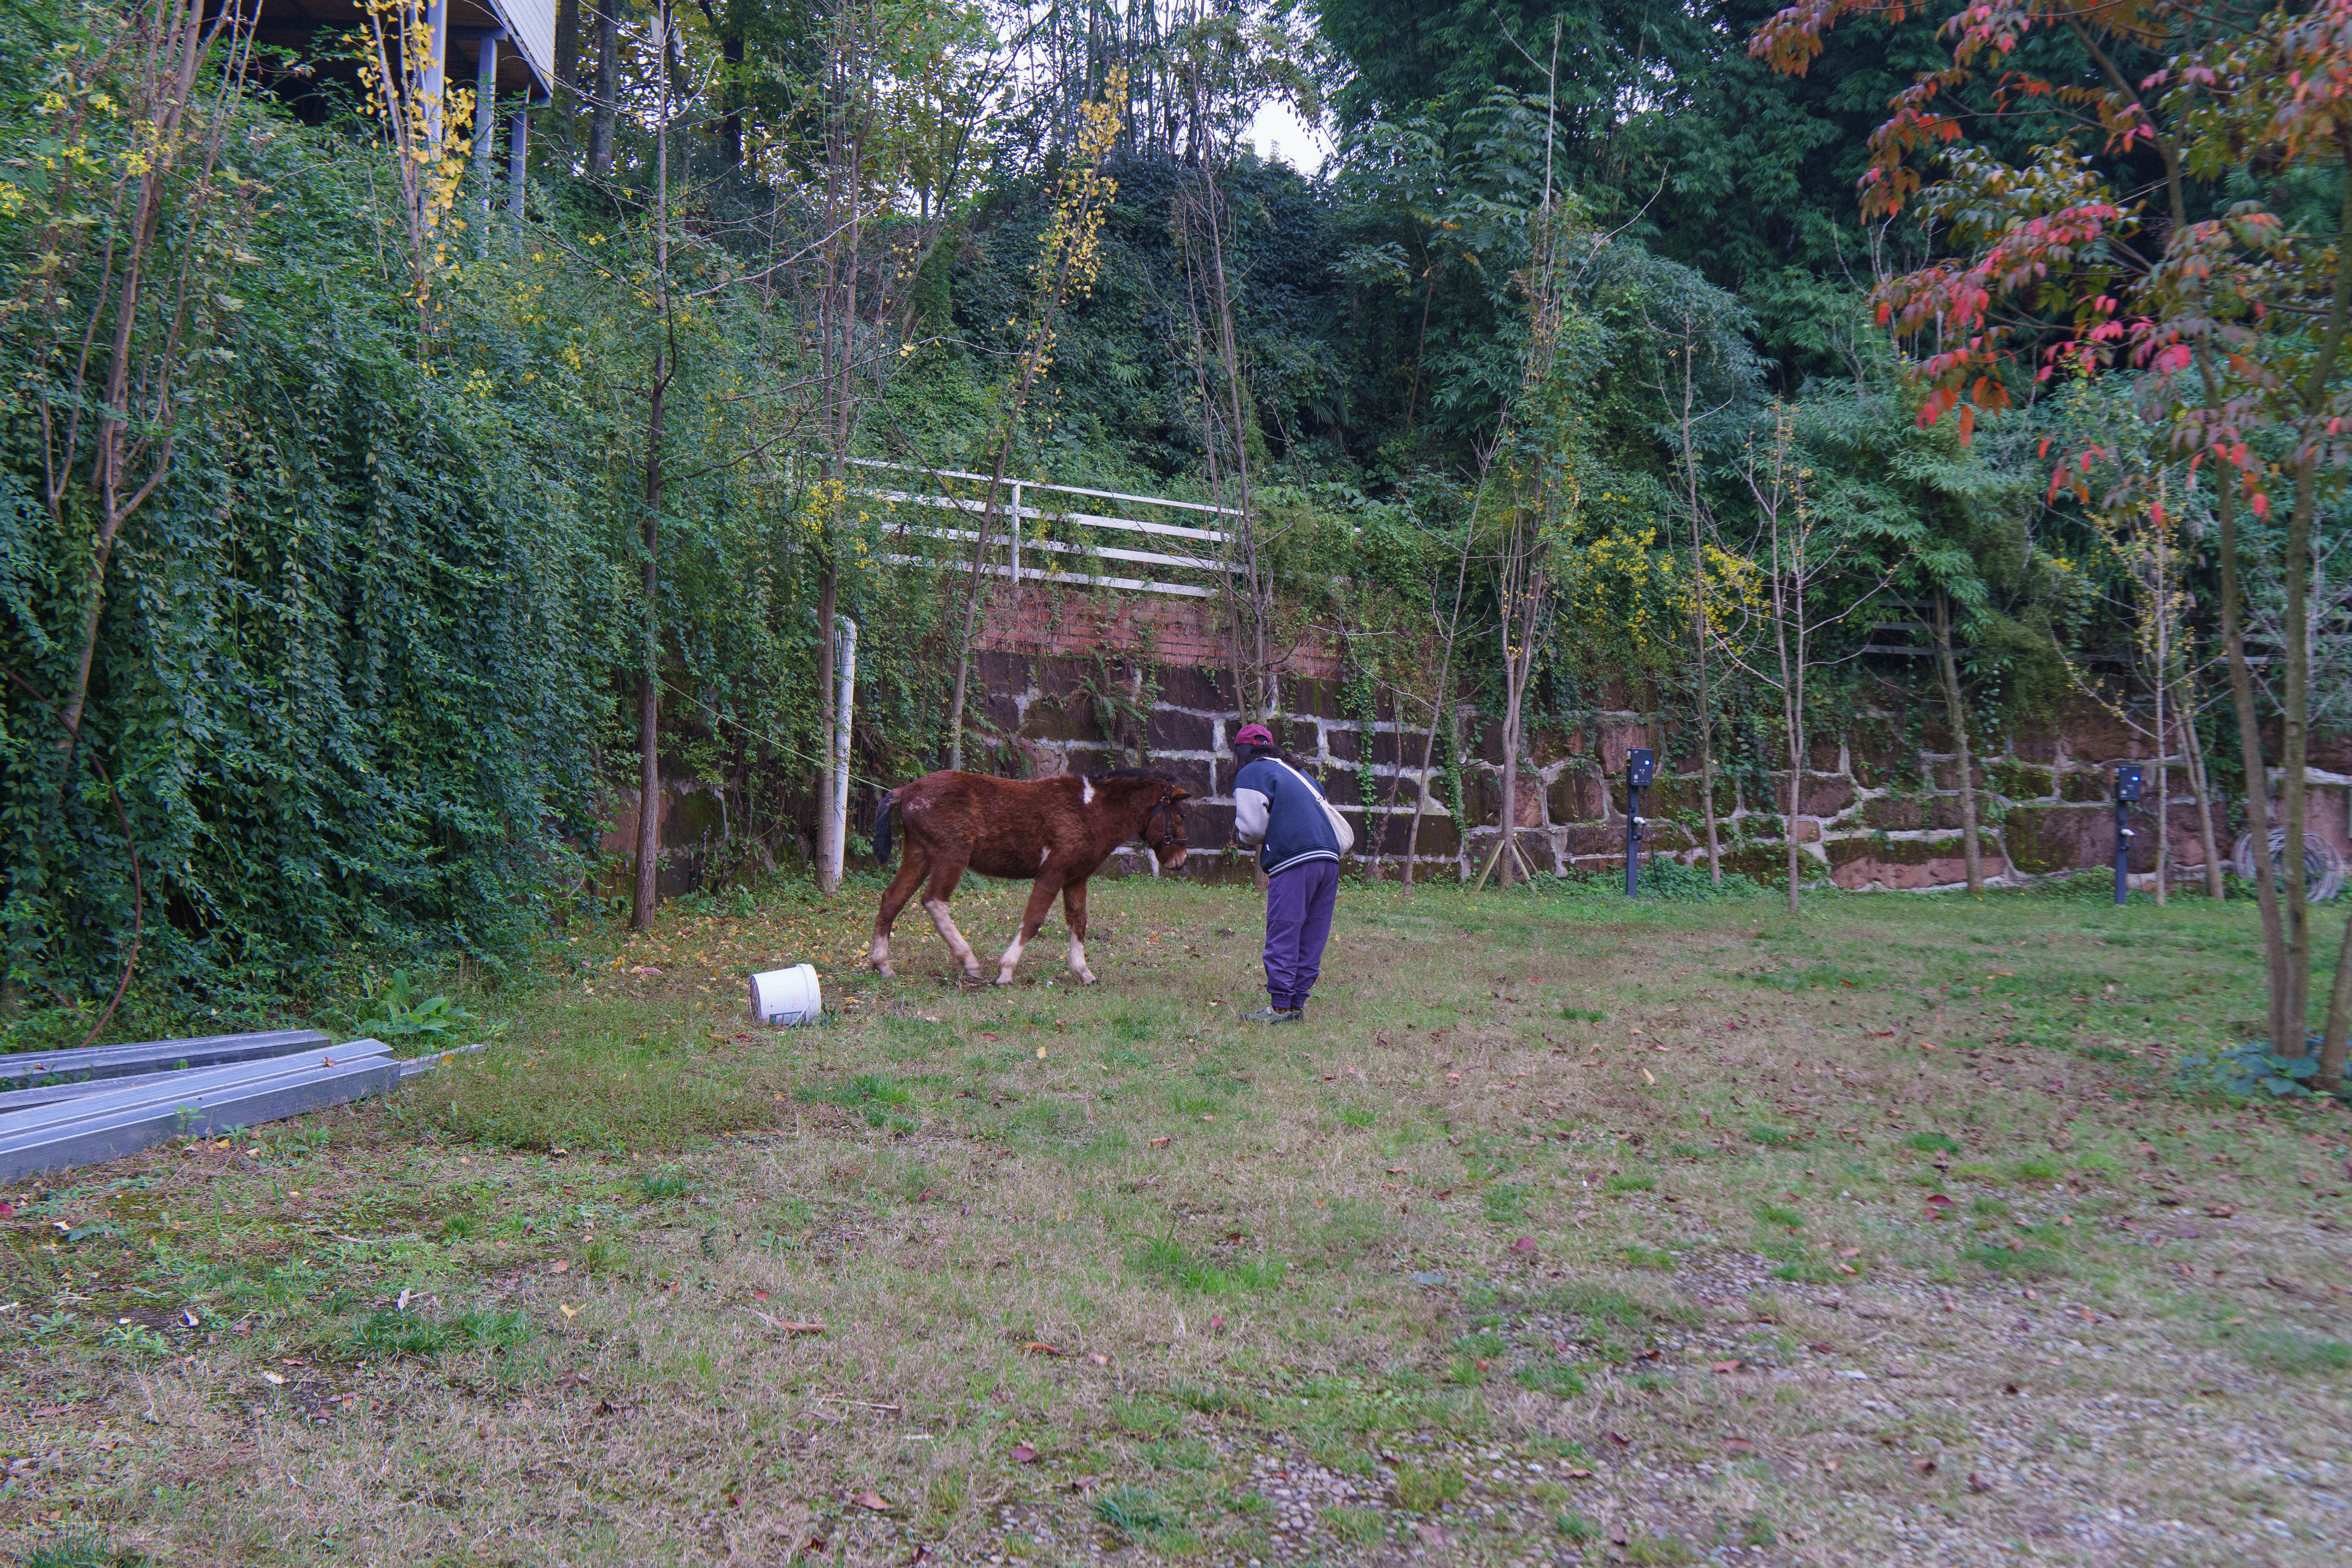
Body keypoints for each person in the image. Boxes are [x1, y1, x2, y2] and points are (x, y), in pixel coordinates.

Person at [1229, 722, 1341, 1023]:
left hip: (1295, 859)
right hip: (1330, 858)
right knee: (1313, 933)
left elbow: (1252, 829)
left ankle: (1279, 1007)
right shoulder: (1302, 774)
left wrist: (1246, 838)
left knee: (1285, 928)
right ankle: (1296, 1005)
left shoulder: (1252, 771)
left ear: (1241, 752)